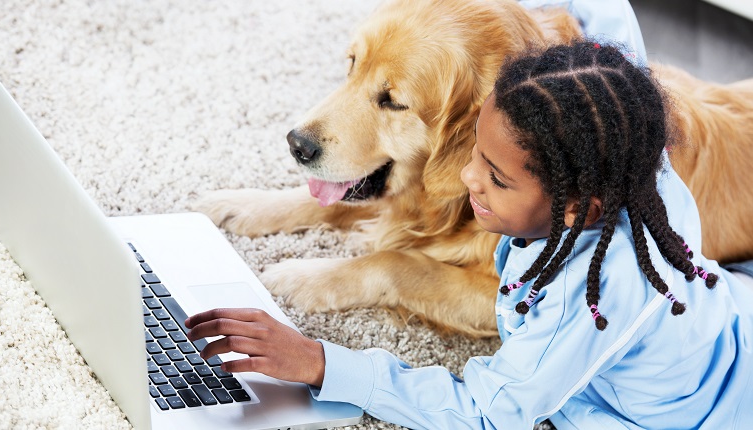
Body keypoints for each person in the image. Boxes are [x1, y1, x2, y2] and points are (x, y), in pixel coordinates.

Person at [185, 6, 753, 430]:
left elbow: (486, 409)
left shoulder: (583, 302)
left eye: (496, 177)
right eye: (472, 152)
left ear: (581, 208)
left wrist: (321, 362)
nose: (465, 177)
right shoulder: (628, 142)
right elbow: (613, 25)